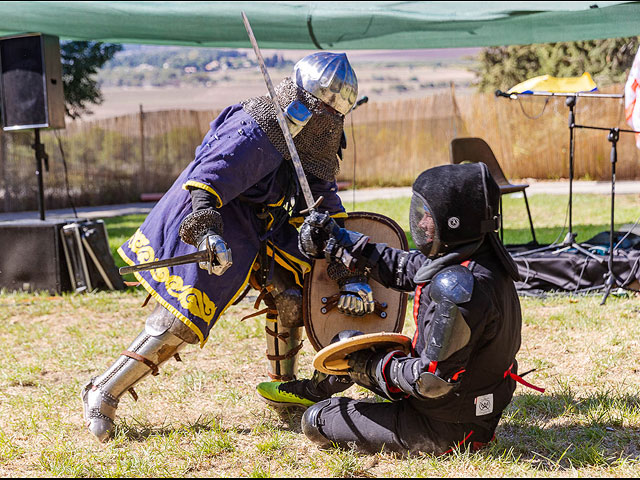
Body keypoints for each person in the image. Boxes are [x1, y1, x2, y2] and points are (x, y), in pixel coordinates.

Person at [81, 52, 375, 442]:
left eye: (328, 116)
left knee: (293, 290)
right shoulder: (259, 124)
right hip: (213, 215)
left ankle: (282, 389)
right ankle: (103, 390)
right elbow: (208, 176)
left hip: (263, 226)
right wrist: (206, 232)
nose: (318, 119)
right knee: (182, 316)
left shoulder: (317, 142)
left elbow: (324, 208)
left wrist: (349, 270)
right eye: (314, 109)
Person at [266, 162, 540, 455]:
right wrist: (337, 240)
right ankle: (310, 391)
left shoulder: (458, 287)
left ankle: (317, 403)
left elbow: (431, 382)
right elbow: (402, 267)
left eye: (429, 217)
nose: (421, 224)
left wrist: (370, 367)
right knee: (346, 344)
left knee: (317, 420)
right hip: (465, 404)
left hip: (448, 427)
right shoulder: (477, 258)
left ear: (453, 220)